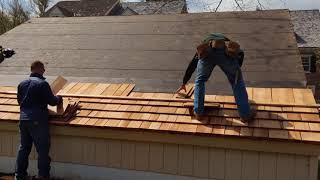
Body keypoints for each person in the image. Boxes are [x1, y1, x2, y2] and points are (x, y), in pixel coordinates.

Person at [177, 33, 255, 122]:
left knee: (200, 81)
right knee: (237, 81)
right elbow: (240, 54)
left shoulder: (204, 48)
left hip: (207, 55)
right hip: (224, 54)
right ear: (224, 40)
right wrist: (236, 69)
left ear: (209, 42)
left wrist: (184, 82)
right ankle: (245, 115)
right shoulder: (228, 46)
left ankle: (198, 113)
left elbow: (193, 63)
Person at [15, 61, 63, 180]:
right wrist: (59, 98)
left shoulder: (21, 84)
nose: (44, 71)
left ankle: (19, 176)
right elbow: (52, 101)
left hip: (23, 119)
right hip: (37, 120)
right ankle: (43, 176)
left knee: (24, 148)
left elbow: (19, 102)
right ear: (39, 69)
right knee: (42, 150)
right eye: (43, 68)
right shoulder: (43, 84)